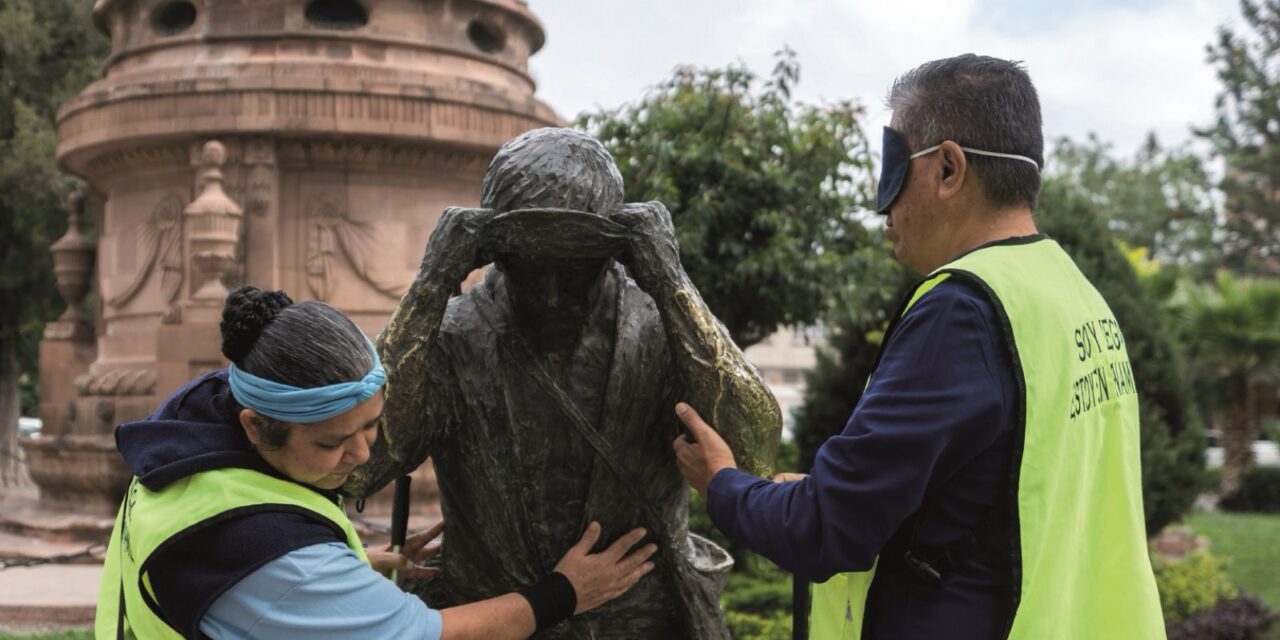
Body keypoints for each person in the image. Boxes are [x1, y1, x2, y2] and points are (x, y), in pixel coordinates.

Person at [672, 54, 1166, 640]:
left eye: (893, 170)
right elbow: (1003, 488)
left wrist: (723, 483)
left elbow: (826, 529)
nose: (885, 208)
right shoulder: (1074, 295)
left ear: (949, 168)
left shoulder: (963, 311)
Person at [342, 127, 782, 639]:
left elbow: (751, 452)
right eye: (529, 268)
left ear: (614, 250)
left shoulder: (664, 329)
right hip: (495, 623)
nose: (551, 295)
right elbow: (361, 467)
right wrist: (430, 285)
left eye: (574, 269)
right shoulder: (450, 336)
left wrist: (672, 283)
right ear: (493, 250)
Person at [95, 285, 657, 640]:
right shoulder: (277, 562)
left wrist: (352, 567)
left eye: (371, 425)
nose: (363, 454)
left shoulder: (191, 430)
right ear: (256, 425)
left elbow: (225, 567)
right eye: (331, 442)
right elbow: (437, 635)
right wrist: (565, 592)